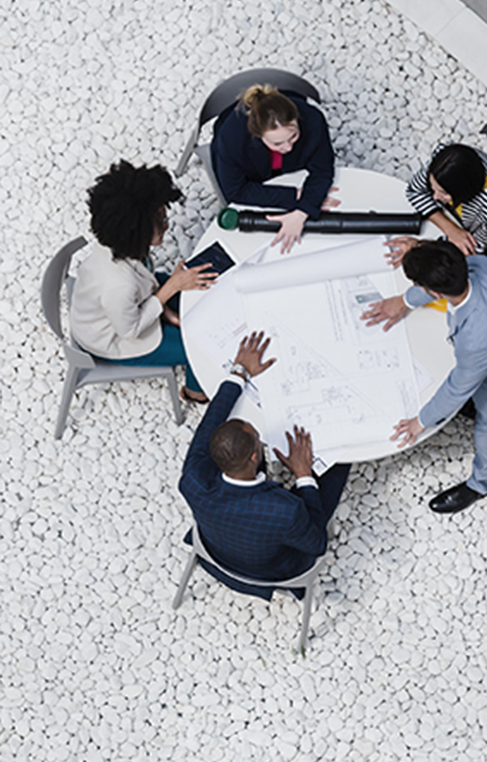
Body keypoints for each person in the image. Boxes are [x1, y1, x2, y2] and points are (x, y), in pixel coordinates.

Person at [363, 241, 487, 514]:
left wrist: (421, 422)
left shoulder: (481, 335)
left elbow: (458, 387)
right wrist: (404, 301)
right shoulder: (479, 265)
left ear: (432, 291)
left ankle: (482, 484)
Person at [178, 331, 351, 599]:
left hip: (216, 547)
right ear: (253, 457)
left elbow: (209, 424)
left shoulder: (192, 479)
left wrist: (239, 373)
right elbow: (317, 544)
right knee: (339, 463)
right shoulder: (286, 510)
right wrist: (304, 476)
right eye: (258, 439)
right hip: (273, 569)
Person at [70, 160, 216, 403]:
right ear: (135, 230)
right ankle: (194, 392)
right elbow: (130, 331)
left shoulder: (120, 244)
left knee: (197, 288)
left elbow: (143, 284)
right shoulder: (118, 284)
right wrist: (170, 289)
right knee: (199, 344)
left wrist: (167, 308)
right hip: (114, 338)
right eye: (159, 220)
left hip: (131, 300)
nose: (167, 223)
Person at [210, 84, 338, 253]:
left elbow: (323, 170)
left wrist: (302, 211)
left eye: (293, 136)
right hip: (254, 171)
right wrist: (294, 196)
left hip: (288, 168)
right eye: (277, 143)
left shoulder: (313, 119)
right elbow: (235, 191)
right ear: (257, 135)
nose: (288, 147)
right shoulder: (232, 139)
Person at [387, 143, 487, 269]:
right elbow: (415, 191)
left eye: (443, 193)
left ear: (463, 191)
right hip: (460, 221)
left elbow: (467, 249)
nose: (435, 197)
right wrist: (450, 229)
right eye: (432, 188)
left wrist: (419, 247)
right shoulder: (446, 158)